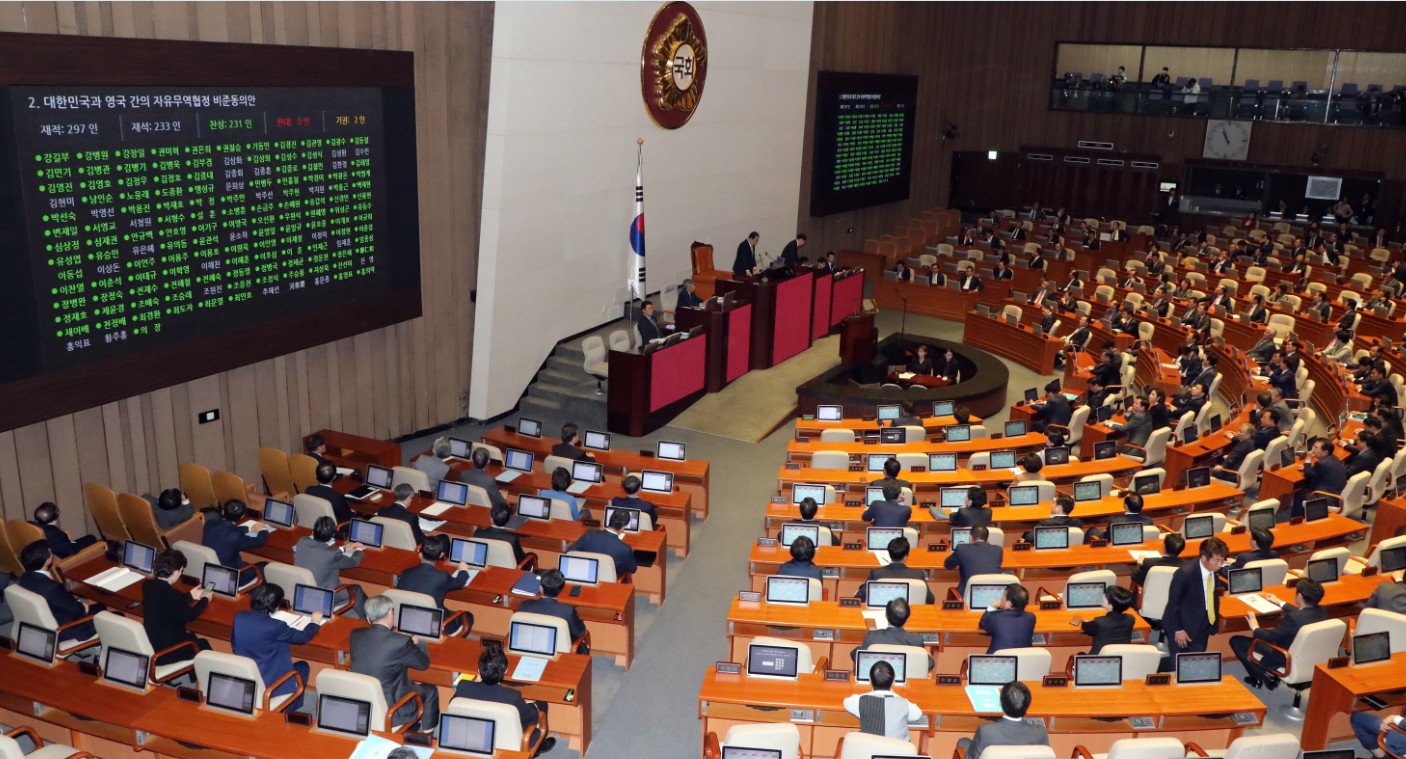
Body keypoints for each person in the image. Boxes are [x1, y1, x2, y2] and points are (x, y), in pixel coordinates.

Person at [351, 594, 439, 732]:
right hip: (392, 711)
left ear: (369, 617)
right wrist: (418, 644)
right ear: (390, 613)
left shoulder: (355, 635)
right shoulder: (400, 641)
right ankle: (427, 737)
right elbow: (423, 664)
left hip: (363, 705)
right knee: (430, 690)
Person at [232, 584, 322, 712]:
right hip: (271, 683)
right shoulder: (276, 626)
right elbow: (302, 637)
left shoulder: (239, 617)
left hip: (247, 677)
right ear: (275, 605)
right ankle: (287, 709)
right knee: (302, 668)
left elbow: (235, 647)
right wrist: (314, 622)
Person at [454, 642, 555, 756]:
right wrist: (533, 705)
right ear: (505, 671)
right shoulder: (512, 697)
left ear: (479, 670)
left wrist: (474, 683)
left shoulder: (463, 687)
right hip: (508, 742)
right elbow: (532, 719)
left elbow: (452, 705)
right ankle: (538, 746)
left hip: (473, 736)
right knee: (541, 705)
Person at [1232, 578, 1327, 689]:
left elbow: (1270, 637)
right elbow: (1301, 612)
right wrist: (1280, 602)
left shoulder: (1293, 619)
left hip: (1284, 656)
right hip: (1311, 655)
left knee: (1236, 641)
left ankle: (1262, 676)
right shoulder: (1322, 611)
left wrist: (1255, 627)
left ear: (1299, 596)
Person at [1160, 537, 1229, 667]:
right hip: (1182, 625)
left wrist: (1212, 623)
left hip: (1203, 623)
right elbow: (1174, 604)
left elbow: (1212, 596)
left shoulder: (1213, 571)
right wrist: (1178, 630)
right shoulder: (1185, 573)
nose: (1220, 565)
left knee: (1196, 661)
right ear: (1204, 558)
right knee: (1180, 664)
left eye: (1222, 560)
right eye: (1217, 560)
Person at [141, 549, 212, 666]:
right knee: (203, 643)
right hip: (166, 653)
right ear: (174, 572)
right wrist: (205, 599)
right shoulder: (174, 595)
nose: (180, 573)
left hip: (151, 643)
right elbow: (191, 615)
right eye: (181, 570)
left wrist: (189, 596)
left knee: (191, 636)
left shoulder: (147, 585)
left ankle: (193, 676)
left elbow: (166, 602)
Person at [19, 540, 98, 644]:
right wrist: (82, 605)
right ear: (47, 560)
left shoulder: (24, 578)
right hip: (66, 629)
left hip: (42, 623)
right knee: (105, 610)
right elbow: (76, 610)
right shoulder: (52, 588)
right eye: (50, 552)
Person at [397, 535, 475, 636]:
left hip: (408, 622)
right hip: (436, 626)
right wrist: (463, 570)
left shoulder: (405, 573)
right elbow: (460, 582)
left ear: (420, 554)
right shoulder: (441, 577)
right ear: (441, 555)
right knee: (468, 616)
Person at [296, 516, 368, 619]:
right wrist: (359, 550)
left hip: (304, 593)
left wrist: (345, 548)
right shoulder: (331, 554)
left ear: (313, 531)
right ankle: (367, 621)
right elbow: (353, 562)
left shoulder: (302, 541)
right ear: (332, 535)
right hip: (325, 596)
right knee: (357, 590)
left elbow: (325, 551)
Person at [958, 682, 1049, 759]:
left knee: (963, 742)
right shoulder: (1041, 732)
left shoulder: (985, 731)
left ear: (1001, 703)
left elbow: (972, 757)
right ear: (1027, 705)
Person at [842, 659, 922, 740]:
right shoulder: (905, 704)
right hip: (898, 751)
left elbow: (846, 702)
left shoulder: (859, 701)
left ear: (870, 680)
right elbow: (917, 714)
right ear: (894, 681)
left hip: (869, 751)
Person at [520, 569, 589, 654]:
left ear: (541, 588)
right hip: (561, 651)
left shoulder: (524, 606)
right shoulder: (567, 611)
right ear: (560, 590)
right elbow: (581, 632)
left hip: (532, 648)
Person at [202, 499, 269, 586]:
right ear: (242, 516)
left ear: (222, 511)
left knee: (242, 561)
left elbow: (226, 529)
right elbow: (260, 541)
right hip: (230, 579)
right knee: (265, 566)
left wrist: (247, 528)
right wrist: (262, 529)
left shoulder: (209, 524)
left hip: (210, 573)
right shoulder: (236, 536)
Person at [852, 597, 933, 669]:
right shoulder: (916, 640)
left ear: (886, 616)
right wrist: (927, 654)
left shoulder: (871, 637)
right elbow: (929, 664)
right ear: (907, 619)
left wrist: (858, 649)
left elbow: (859, 659)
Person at [857, 538, 933, 603]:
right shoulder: (919, 575)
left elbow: (860, 597)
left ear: (889, 554)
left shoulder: (876, 573)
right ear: (905, 557)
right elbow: (930, 600)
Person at [566, 507, 637, 577]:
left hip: (586, 575)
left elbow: (570, 552)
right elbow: (632, 569)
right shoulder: (625, 549)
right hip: (609, 581)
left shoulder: (589, 535)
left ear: (609, 518)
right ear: (624, 526)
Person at [1075, 585, 1136, 654]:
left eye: (1105, 597)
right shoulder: (1131, 619)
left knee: (1080, 654)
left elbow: (1086, 627)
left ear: (1111, 604)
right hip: (1120, 659)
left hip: (1099, 661)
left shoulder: (1098, 623)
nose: (1103, 596)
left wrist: (1084, 622)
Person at [944, 525, 1004, 595]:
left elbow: (948, 565)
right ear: (987, 540)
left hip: (967, 596)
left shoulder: (962, 549)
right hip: (993, 596)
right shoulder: (998, 550)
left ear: (970, 538)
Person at [979, 584, 1035, 654]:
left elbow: (982, 623)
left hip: (996, 662)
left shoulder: (996, 618)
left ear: (1009, 604)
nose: (1001, 598)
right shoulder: (1031, 618)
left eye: (1003, 596)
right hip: (1022, 662)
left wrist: (992, 606)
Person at [30, 501, 98, 559]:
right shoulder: (55, 535)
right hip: (64, 557)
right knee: (92, 539)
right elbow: (71, 552)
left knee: (90, 537)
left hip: (42, 553)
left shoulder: (30, 525)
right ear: (54, 518)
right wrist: (67, 539)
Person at [1299, 438, 1346, 517]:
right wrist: (1308, 467)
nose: (1312, 450)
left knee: (1300, 494)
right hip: (1337, 494)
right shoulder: (1333, 458)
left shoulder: (1321, 463)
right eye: (1313, 446)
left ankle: (1298, 520)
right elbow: (1319, 471)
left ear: (1325, 452)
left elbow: (1308, 474)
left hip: (1328, 497)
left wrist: (1308, 459)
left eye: (1316, 448)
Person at [460, 447, 508, 511]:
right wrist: (503, 497)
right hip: (486, 509)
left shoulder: (463, 474)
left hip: (471, 507)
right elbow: (501, 502)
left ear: (472, 459)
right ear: (488, 461)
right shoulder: (489, 481)